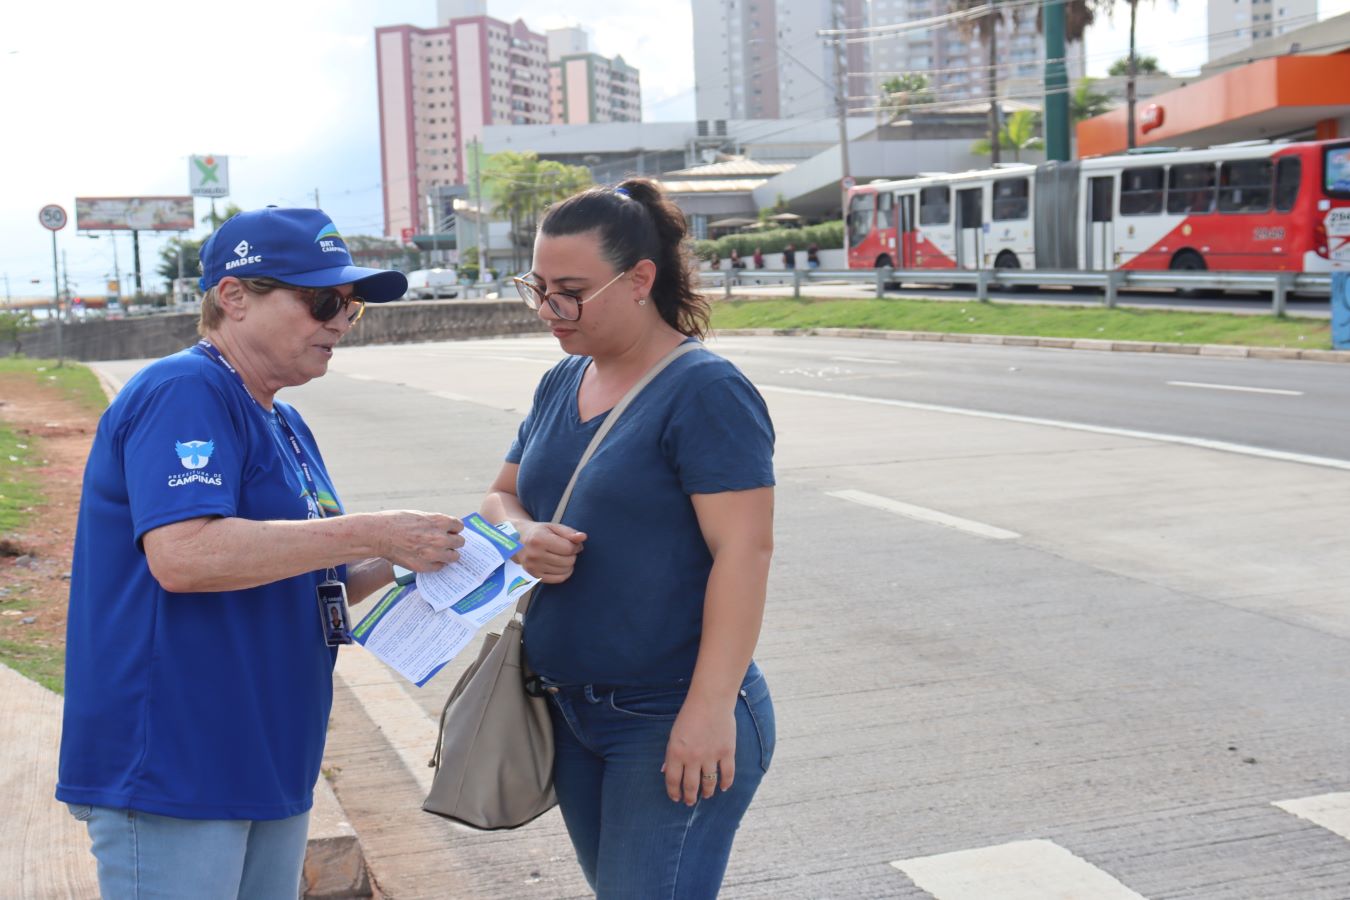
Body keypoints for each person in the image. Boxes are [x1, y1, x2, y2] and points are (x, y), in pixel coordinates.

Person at [57, 207, 465, 899]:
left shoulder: (284, 417)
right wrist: (372, 531)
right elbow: (183, 556)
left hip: (269, 756)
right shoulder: (184, 390)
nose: (339, 321)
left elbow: (315, 574)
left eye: (351, 307)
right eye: (322, 301)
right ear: (235, 296)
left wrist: (429, 555)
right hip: (176, 762)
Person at [492, 178, 776, 898]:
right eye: (538, 286)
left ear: (640, 279)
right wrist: (521, 535)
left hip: (670, 712)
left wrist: (709, 711)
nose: (548, 310)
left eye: (571, 291)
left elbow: (745, 553)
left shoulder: (705, 391)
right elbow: (499, 496)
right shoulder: (562, 381)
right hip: (570, 709)